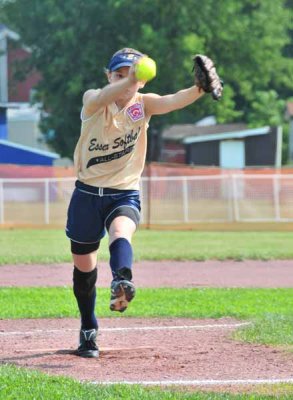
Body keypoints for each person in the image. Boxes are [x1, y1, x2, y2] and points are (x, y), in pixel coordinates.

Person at [66, 47, 222, 358]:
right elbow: (98, 98)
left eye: (131, 76)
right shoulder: (94, 100)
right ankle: (88, 327)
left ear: (143, 82)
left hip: (123, 192)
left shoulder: (143, 105)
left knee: (121, 231)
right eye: (118, 74)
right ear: (108, 77)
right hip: (86, 194)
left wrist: (200, 88)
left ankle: (122, 280)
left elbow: (173, 100)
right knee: (84, 269)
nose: (125, 81)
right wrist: (128, 81)